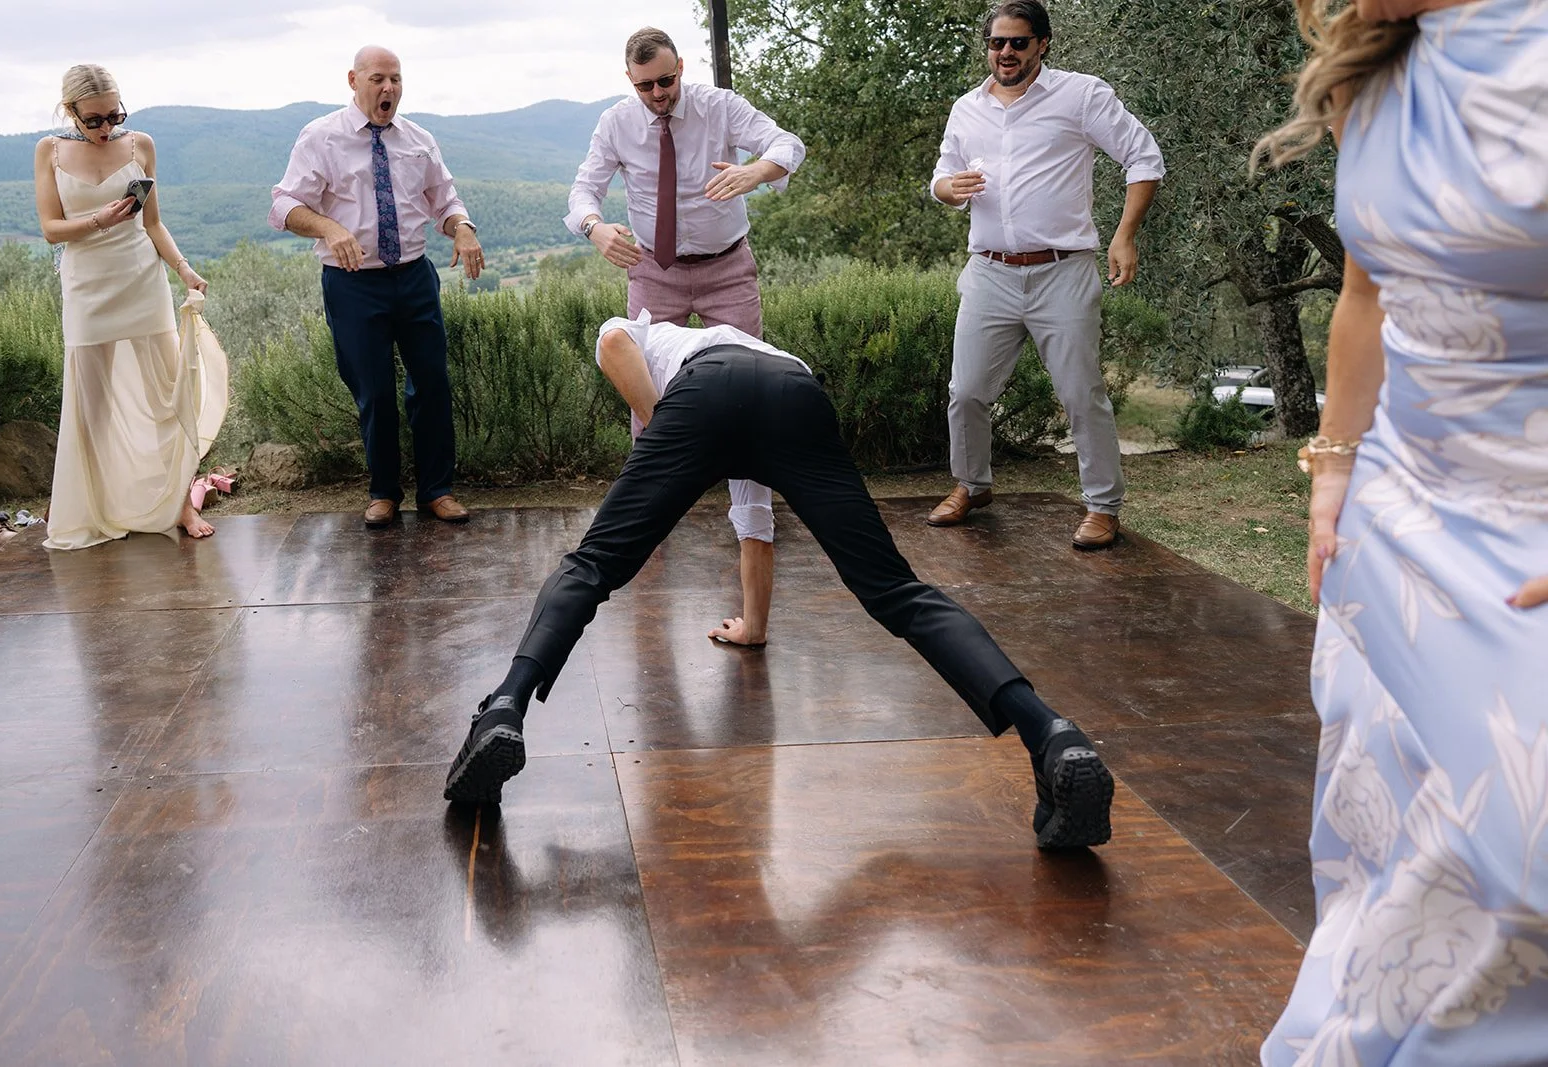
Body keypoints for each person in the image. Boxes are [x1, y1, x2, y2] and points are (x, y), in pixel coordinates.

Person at [442, 316, 1118, 852]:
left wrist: (666, 433)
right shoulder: (759, 355)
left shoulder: (659, 337)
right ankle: (1052, 735)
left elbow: (609, 339)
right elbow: (755, 526)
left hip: (700, 397)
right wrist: (754, 626)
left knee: (590, 565)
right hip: (797, 398)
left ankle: (503, 707)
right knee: (895, 591)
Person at [1250, 1, 1548, 1063]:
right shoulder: (1372, 72)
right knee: (1393, 860)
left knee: (1523, 871)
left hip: (1531, 537)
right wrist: (1334, 464)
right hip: (1401, 528)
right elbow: (1368, 289)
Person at [927, 0, 1163, 549]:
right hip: (989, 272)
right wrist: (946, 188)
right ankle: (973, 485)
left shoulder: (1081, 95)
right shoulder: (967, 108)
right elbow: (942, 173)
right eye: (996, 43)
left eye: (1017, 42)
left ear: (1042, 44)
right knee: (966, 392)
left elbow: (1144, 157)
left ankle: (1103, 507)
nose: (1005, 53)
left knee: (1081, 393)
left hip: (1063, 271)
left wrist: (1124, 235)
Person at [270, 46, 485, 529]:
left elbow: (444, 199)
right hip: (352, 284)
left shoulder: (418, 139)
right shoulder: (321, 138)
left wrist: (463, 227)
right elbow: (284, 205)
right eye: (378, 79)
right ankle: (384, 492)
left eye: (396, 79)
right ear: (353, 80)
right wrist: (328, 227)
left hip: (413, 277)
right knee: (374, 391)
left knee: (431, 384)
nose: (388, 88)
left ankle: (438, 490)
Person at [34, 64, 223, 550]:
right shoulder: (49, 151)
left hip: (142, 282)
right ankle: (89, 505)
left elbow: (154, 224)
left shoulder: (141, 145)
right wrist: (98, 219)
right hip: (87, 287)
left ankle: (179, 503)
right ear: (69, 111)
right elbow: (51, 228)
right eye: (93, 120)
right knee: (90, 408)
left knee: (167, 394)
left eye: (113, 116)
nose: (105, 129)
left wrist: (183, 270)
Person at [566, 26, 806, 340]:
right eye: (644, 85)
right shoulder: (616, 123)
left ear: (680, 67)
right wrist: (592, 227)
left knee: (743, 375)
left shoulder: (719, 106)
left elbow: (787, 144)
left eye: (666, 80)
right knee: (650, 377)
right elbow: (585, 189)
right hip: (653, 272)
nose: (657, 93)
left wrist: (756, 171)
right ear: (630, 79)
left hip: (727, 269)